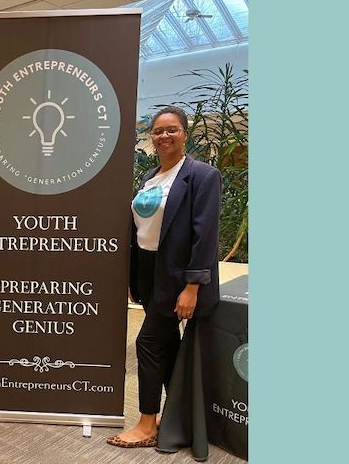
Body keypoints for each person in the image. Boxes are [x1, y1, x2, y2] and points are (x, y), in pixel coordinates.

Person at [107, 106, 221, 448]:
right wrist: (132, 277)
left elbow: (206, 235)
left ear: (184, 133)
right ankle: (176, 418)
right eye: (158, 131)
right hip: (150, 274)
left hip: (177, 279)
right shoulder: (150, 178)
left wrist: (192, 286)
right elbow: (143, 230)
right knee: (168, 348)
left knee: (147, 344)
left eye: (172, 130)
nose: (164, 136)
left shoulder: (202, 175)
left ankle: (146, 424)